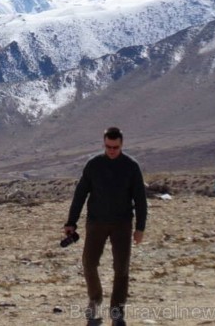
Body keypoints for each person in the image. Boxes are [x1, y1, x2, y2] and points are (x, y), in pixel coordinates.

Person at [63, 127, 147, 326]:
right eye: (108, 147)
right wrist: (71, 222)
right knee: (89, 263)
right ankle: (95, 298)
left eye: (115, 147)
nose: (111, 151)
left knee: (121, 267)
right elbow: (80, 194)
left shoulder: (131, 167)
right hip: (96, 223)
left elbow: (140, 200)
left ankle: (117, 309)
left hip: (122, 224)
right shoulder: (93, 165)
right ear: (104, 144)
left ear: (122, 144)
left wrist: (140, 228)